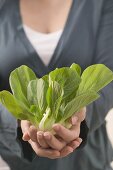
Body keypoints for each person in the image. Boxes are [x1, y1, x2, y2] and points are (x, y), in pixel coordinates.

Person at [0, 0, 113, 170]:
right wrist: (18, 121)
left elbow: (107, 81)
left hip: (88, 162)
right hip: (17, 162)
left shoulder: (102, 4)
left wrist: (80, 115)